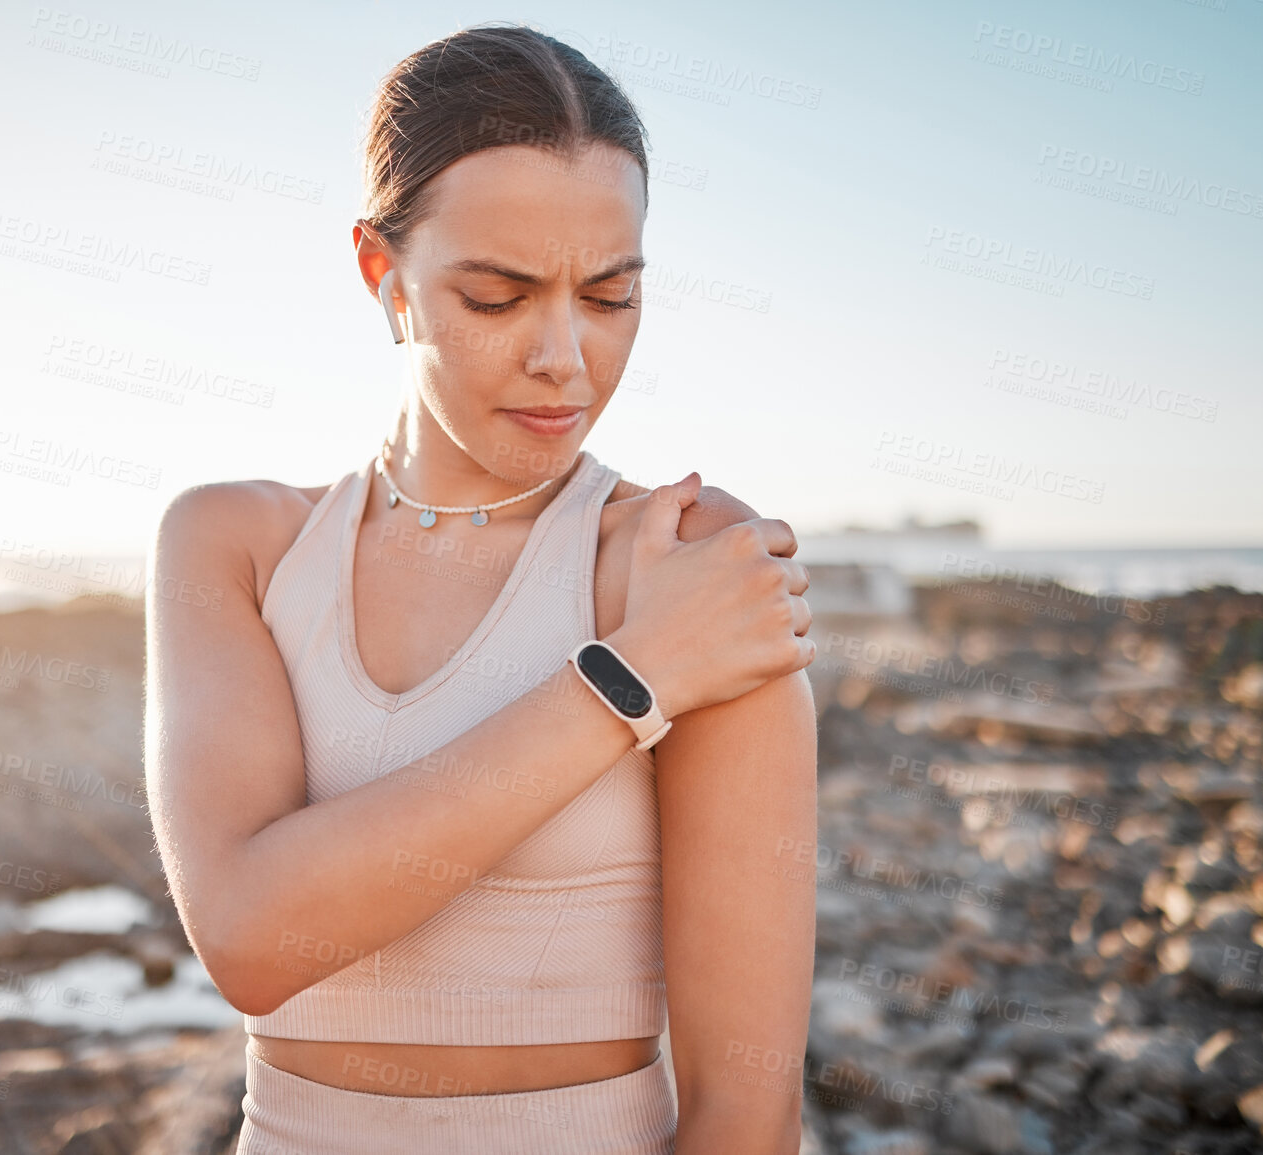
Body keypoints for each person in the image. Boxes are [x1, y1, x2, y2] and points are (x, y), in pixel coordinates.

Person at [145, 23, 818, 1154]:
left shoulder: (688, 556)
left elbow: (745, 1108)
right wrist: (631, 679)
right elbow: (252, 940)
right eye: (499, 296)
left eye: (609, 296)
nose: (566, 357)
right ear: (382, 274)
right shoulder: (238, 543)